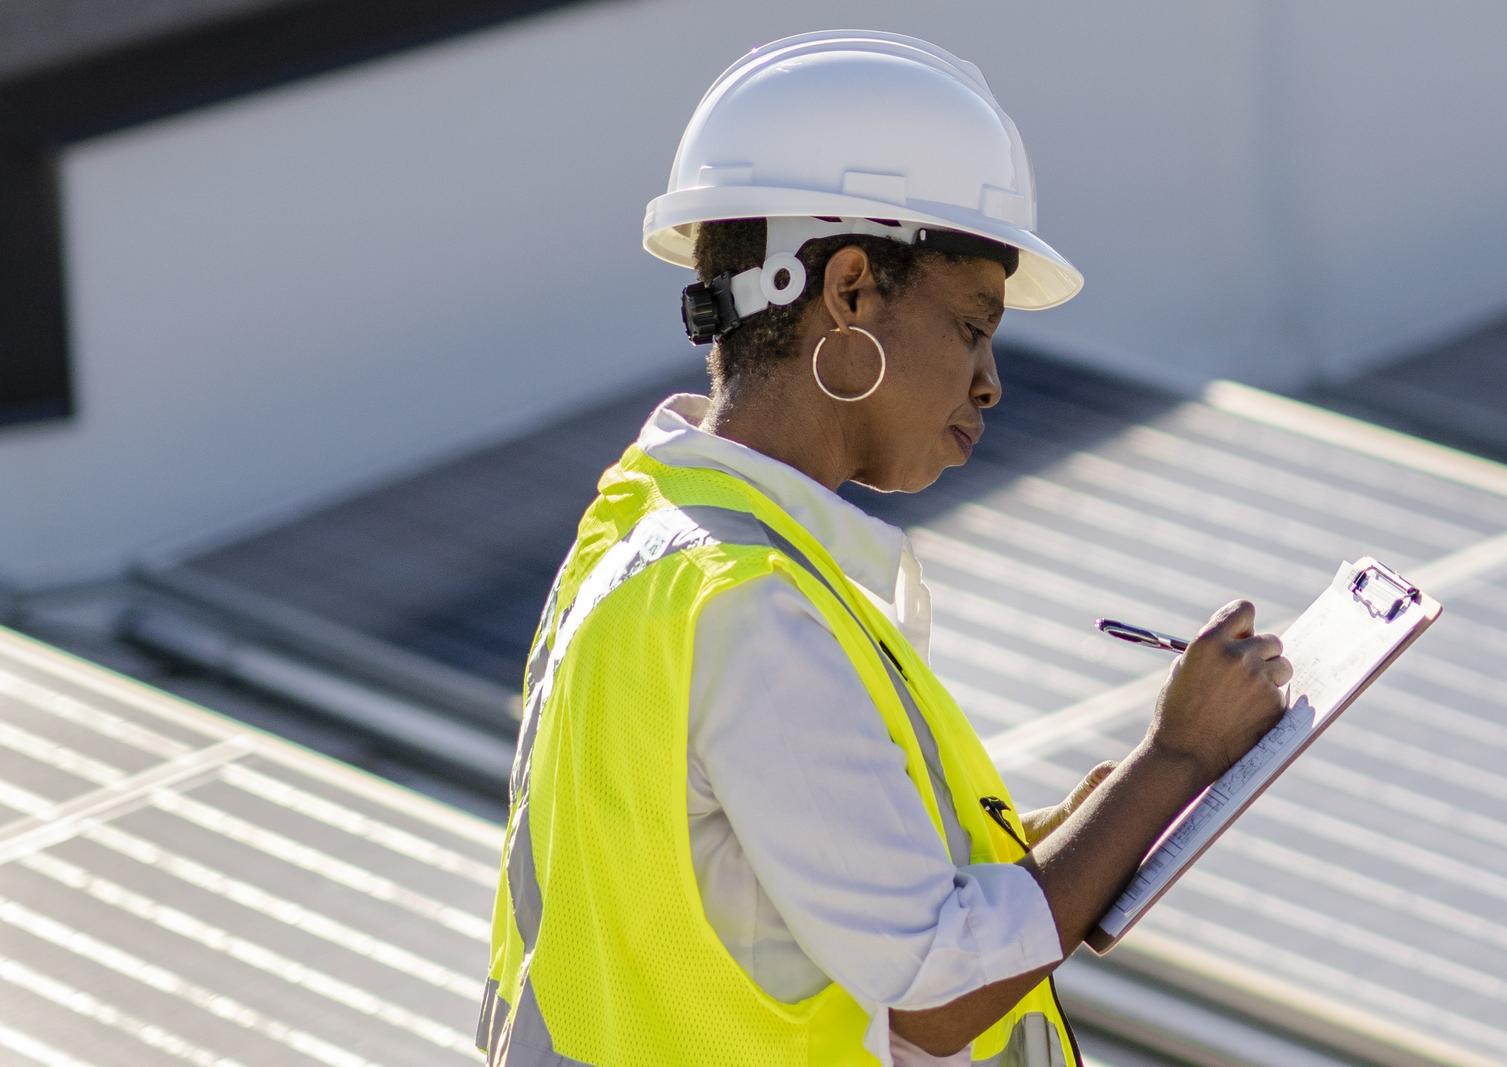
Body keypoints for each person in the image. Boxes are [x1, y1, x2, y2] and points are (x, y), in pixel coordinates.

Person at [474, 30, 1284, 1066]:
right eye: (971, 326)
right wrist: (1176, 758)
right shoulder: (753, 608)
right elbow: (933, 998)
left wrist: (1050, 849)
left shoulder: (645, 540)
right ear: (849, 289)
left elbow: (770, 901)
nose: (990, 381)